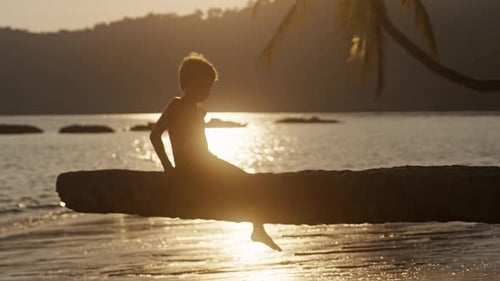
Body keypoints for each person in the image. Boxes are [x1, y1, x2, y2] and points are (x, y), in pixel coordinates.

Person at [150, 52, 281, 251]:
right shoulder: (176, 106)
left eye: (209, 87)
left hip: (206, 162)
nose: (206, 91)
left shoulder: (197, 111)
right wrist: (168, 168)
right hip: (193, 168)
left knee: (246, 180)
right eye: (202, 86)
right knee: (245, 181)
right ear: (187, 83)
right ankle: (257, 228)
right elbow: (155, 135)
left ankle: (257, 228)